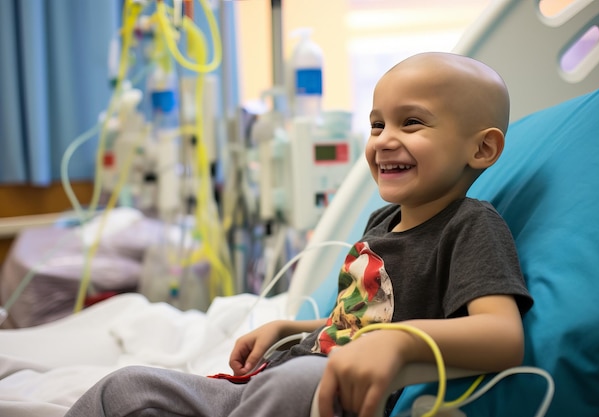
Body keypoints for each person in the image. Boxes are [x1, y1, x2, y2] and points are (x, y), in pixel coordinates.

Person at [65, 51, 533, 417]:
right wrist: (289, 328)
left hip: (332, 395)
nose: (384, 139)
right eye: (376, 124)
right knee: (127, 387)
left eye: (410, 122)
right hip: (274, 381)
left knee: (296, 382)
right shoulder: (380, 223)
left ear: (482, 147)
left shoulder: (470, 226)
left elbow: (502, 337)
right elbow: (355, 324)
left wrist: (399, 344)